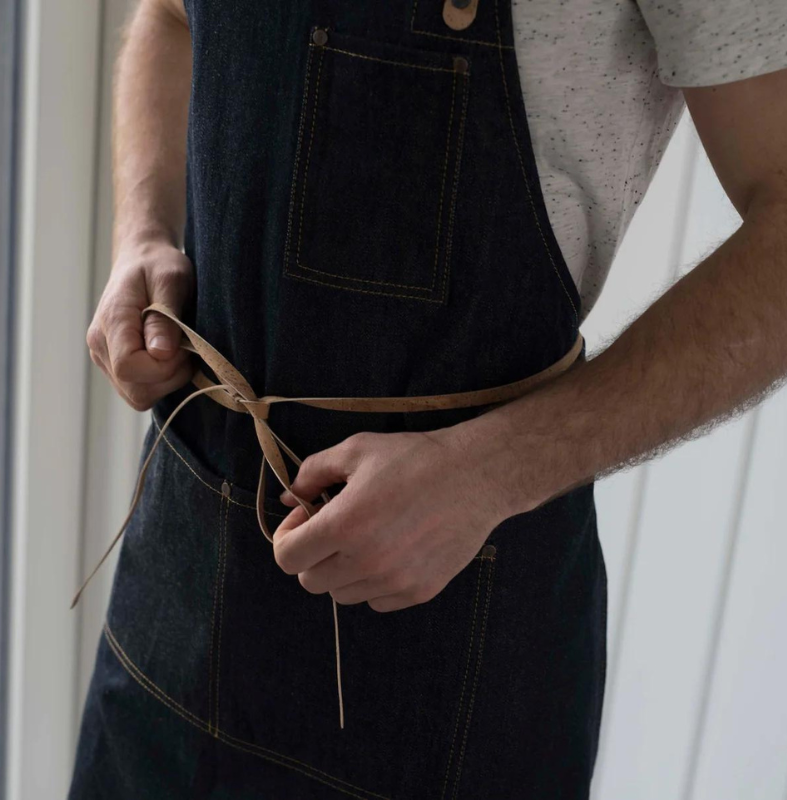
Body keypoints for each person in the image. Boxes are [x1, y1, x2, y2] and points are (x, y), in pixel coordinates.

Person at [69, 0, 787, 798]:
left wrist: (490, 470)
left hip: (450, 668)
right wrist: (142, 232)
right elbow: (168, 17)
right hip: (175, 598)